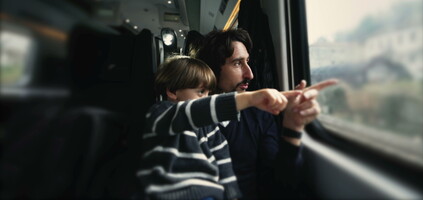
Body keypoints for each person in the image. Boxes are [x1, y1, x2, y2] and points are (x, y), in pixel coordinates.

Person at [196, 29, 337, 199]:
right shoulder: (191, 116)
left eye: (247, 62)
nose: (250, 74)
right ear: (212, 70)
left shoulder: (259, 115)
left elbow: (280, 186)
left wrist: (293, 126)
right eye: (237, 63)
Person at [137, 55, 300, 200]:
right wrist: (249, 99)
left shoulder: (211, 129)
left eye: (208, 93)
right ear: (172, 92)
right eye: (200, 92)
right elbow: (194, 111)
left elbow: (224, 166)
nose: (206, 98)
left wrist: (233, 195)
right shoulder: (161, 114)